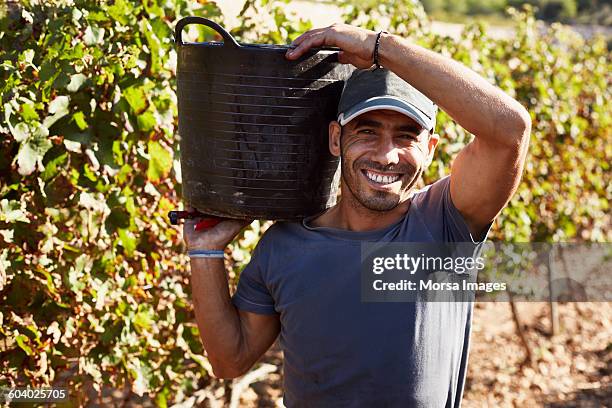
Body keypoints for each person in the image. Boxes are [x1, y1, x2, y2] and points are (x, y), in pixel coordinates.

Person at [183, 24, 530, 407]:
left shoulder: (445, 223)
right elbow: (229, 360)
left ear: (430, 148)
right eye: (367, 131)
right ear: (336, 139)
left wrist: (378, 47)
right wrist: (205, 252)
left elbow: (510, 131)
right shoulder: (284, 246)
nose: (386, 155)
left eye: (406, 136)